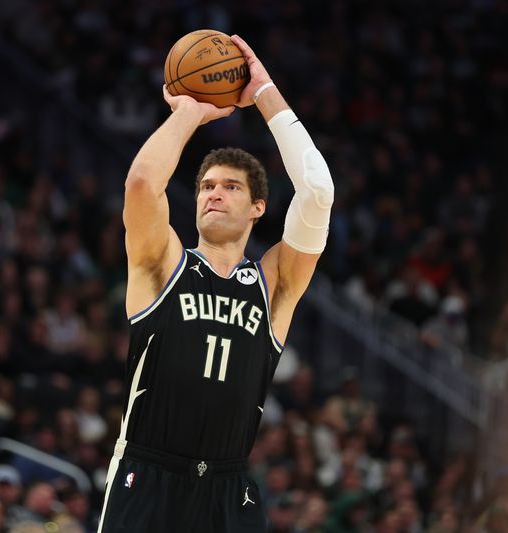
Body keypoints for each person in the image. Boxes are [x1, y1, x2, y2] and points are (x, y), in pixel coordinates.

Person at [98, 34, 335, 532]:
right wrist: (189, 110)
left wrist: (265, 92)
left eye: (231, 187)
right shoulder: (162, 263)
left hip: (229, 490)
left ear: (257, 208)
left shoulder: (274, 285)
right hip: (148, 474)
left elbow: (317, 191)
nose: (214, 195)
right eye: (206, 186)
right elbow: (142, 184)